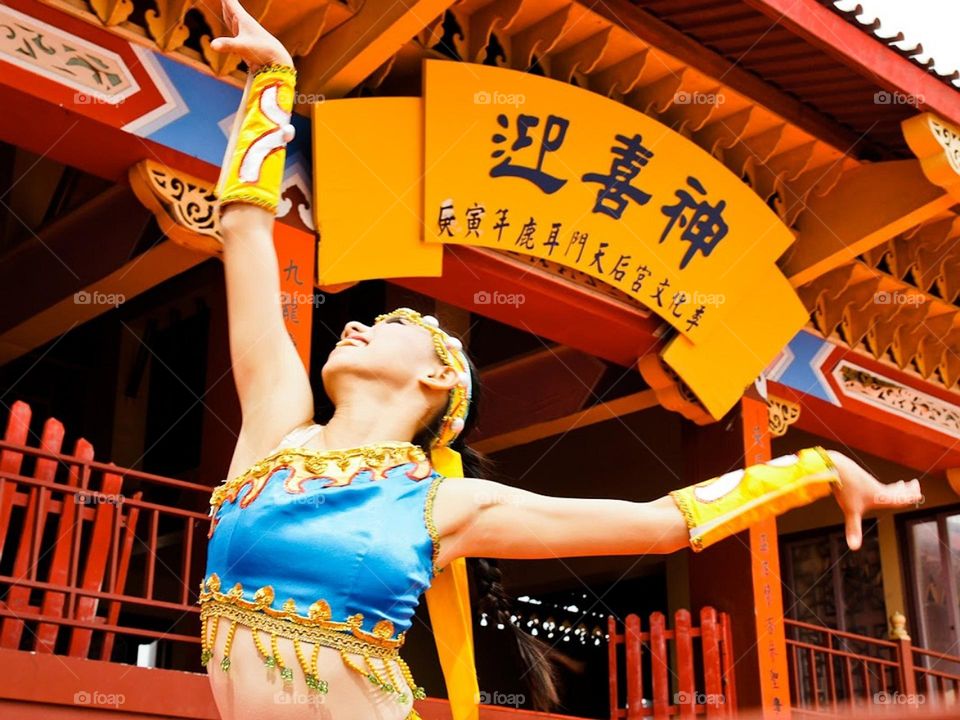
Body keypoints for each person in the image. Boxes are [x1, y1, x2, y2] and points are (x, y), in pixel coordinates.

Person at [198, 2, 924, 719]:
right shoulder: (274, 433)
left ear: (440, 376)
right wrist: (274, 84)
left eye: (393, 322)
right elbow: (245, 231)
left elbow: (662, 523)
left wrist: (820, 469)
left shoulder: (445, 505)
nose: (356, 323)